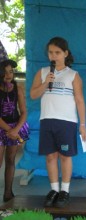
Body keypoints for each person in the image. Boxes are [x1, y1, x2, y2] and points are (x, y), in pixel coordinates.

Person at [30, 37, 86, 208]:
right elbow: (33, 95)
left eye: (57, 52)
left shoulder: (73, 75)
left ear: (65, 53)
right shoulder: (42, 72)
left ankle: (65, 190)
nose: (53, 56)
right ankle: (54, 189)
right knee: (50, 156)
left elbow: (79, 100)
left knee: (65, 156)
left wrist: (82, 125)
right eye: (50, 52)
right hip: (47, 120)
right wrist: (46, 82)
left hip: (67, 122)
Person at [0, 59, 29, 202]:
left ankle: (8, 192)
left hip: (15, 127)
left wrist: (16, 129)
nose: (8, 75)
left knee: (11, 160)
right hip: (2, 128)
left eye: (11, 71)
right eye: (5, 72)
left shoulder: (18, 88)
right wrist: (10, 130)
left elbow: (23, 111)